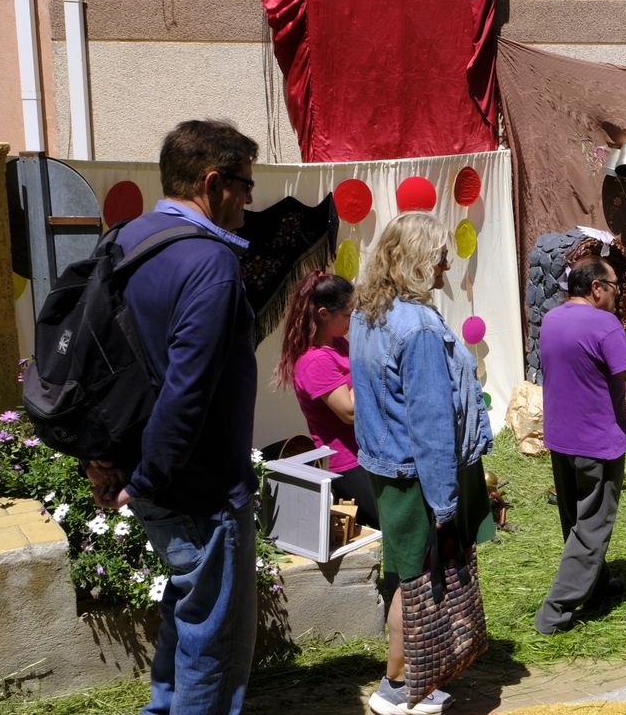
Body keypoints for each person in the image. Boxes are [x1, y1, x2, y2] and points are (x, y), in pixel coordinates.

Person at [85, 119, 261, 715]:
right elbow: (188, 392)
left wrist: (106, 460)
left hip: (147, 473)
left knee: (188, 613)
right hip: (198, 487)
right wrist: (148, 479)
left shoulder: (125, 240)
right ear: (213, 183)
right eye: (244, 185)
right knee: (216, 640)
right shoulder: (209, 263)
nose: (249, 199)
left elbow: (93, 362)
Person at [351, 212, 494, 715]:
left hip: (387, 468)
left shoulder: (368, 313)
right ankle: (398, 686)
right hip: (420, 474)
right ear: (416, 261)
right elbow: (432, 425)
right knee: (419, 579)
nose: (447, 261)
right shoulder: (419, 330)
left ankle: (408, 679)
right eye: (438, 254)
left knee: (406, 575)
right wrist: (445, 505)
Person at [534, 257, 626, 634]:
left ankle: (594, 587)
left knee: (575, 521)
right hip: (597, 442)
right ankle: (555, 613)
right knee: (593, 527)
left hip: (561, 439)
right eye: (615, 287)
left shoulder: (551, 320)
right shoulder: (603, 324)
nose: (618, 295)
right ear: (597, 288)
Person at [272, 271, 378, 528]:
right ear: (323, 314)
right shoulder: (315, 361)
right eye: (346, 314)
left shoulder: (338, 344)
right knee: (387, 526)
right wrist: (367, 362)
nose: (351, 320)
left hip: (364, 452)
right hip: (347, 464)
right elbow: (350, 411)